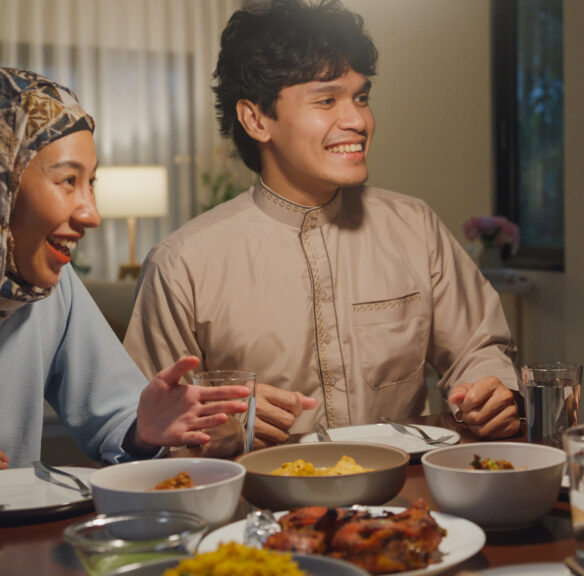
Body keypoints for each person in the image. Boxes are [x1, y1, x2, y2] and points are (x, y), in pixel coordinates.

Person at [123, 0, 520, 451]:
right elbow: (144, 428)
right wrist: (216, 422)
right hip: (253, 514)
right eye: (327, 99)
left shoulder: (414, 227)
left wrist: (490, 388)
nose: (357, 120)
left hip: (404, 507)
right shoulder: (184, 264)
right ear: (256, 119)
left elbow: (477, 348)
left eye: (362, 97)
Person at [0, 68, 251, 469]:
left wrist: (144, 432)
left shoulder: (52, 291)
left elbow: (115, 419)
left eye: (91, 183)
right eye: (67, 180)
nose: (91, 214)